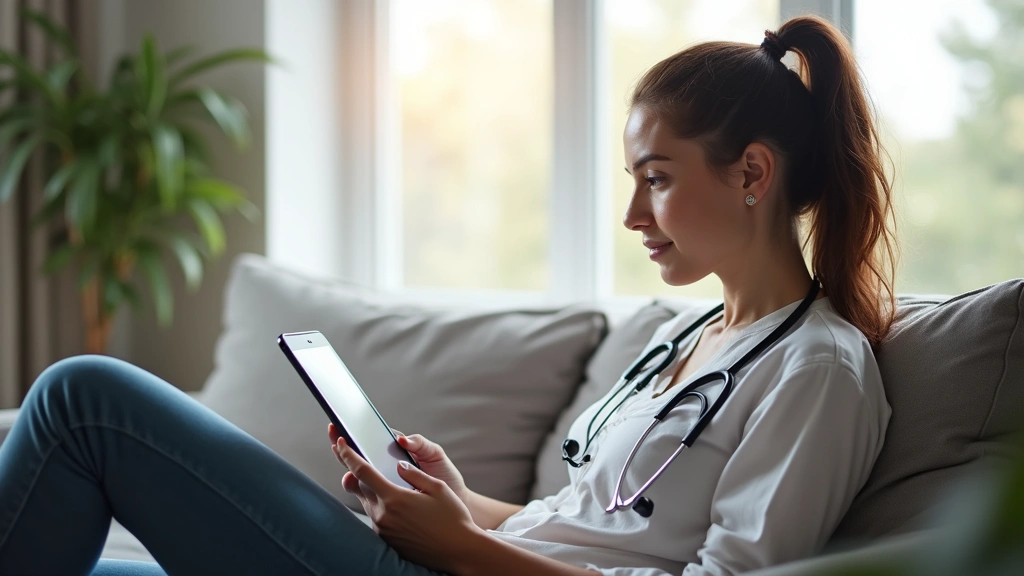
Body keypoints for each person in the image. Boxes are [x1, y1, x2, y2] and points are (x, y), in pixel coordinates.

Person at [0, 14, 897, 576]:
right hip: (461, 561)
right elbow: (586, 524)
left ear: (753, 174)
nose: (631, 214)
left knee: (86, 399)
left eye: (656, 178)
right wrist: (461, 504)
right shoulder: (692, 335)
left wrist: (463, 548)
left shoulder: (818, 371)